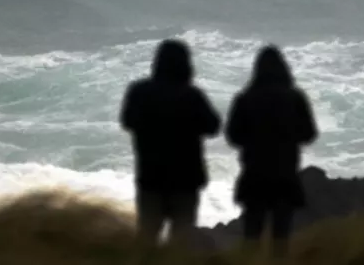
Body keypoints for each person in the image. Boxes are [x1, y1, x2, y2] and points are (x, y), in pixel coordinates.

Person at [119, 38, 221, 244]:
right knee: (182, 238)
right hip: (186, 178)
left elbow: (127, 122)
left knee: (147, 235)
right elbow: (213, 127)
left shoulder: (139, 92)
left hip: (150, 176)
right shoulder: (192, 95)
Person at [225, 45, 319, 255]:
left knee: (251, 236)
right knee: (281, 237)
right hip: (284, 175)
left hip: (254, 174)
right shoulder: (295, 98)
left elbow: (233, 136)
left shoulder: (244, 99)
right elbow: (309, 134)